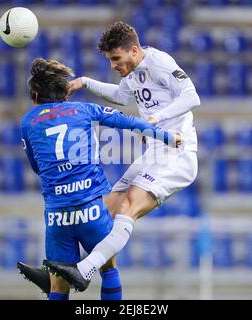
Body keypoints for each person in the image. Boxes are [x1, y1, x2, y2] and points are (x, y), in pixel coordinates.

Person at [44, 21, 200, 292]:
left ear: (134, 50)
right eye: (110, 60)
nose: (114, 65)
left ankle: (84, 269)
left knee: (128, 207)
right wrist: (85, 82)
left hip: (177, 154)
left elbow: (191, 96)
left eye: (116, 59)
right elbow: (120, 96)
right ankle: (60, 276)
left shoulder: (159, 62)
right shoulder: (132, 71)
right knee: (101, 214)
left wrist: (155, 119)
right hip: (153, 153)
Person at [19, 58, 180, 300]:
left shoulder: (27, 122)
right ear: (65, 94)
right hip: (91, 209)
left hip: (56, 214)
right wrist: (166, 137)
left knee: (58, 286)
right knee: (108, 266)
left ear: (35, 95)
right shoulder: (84, 110)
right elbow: (128, 122)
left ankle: (51, 276)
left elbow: (35, 165)